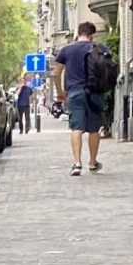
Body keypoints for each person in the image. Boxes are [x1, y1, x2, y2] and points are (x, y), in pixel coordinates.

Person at [51, 20, 115, 176]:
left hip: (75, 93)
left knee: (76, 128)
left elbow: (55, 74)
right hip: (95, 93)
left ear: (78, 32)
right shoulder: (100, 48)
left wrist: (60, 93)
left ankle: (77, 163)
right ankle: (93, 163)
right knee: (94, 129)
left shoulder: (66, 50)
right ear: (92, 35)